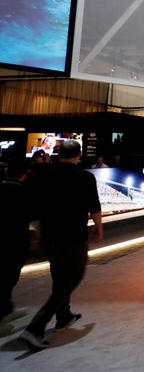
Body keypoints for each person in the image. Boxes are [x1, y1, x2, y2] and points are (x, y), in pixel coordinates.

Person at [19, 139, 103, 350]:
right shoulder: (85, 177)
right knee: (73, 277)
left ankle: (64, 316)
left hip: (49, 235)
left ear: (58, 153)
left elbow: (34, 207)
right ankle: (35, 327)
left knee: (59, 276)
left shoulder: (42, 174)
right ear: (79, 154)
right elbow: (94, 207)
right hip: (73, 235)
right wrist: (99, 229)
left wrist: (39, 234)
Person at [0, 159, 32, 327]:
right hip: (14, 243)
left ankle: (6, 311)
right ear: (27, 174)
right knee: (7, 280)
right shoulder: (23, 193)